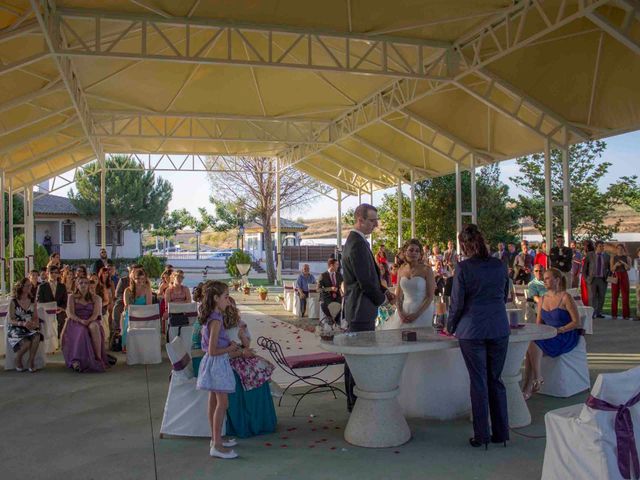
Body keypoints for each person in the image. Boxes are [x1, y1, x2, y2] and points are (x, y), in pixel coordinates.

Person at [446, 224, 510, 449]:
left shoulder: (463, 268)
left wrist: (450, 326)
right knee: (496, 380)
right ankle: (501, 433)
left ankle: (481, 435)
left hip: (472, 330)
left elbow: (457, 303)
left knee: (479, 381)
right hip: (499, 327)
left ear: (463, 245)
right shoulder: (499, 265)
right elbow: (504, 296)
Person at [380, 239, 438, 416]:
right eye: (410, 250)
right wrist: (401, 312)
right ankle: (402, 391)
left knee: (420, 351)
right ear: (405, 252)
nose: (413, 253)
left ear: (421, 253)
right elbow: (398, 294)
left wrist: (416, 314)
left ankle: (422, 393)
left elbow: (430, 296)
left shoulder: (427, 270)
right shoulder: (401, 269)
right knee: (402, 350)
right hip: (403, 313)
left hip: (422, 312)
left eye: (416, 250)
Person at [342, 204, 390, 412]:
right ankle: (356, 402)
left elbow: (370, 277)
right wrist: (383, 300)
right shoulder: (358, 244)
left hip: (359, 306)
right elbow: (365, 282)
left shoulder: (357, 242)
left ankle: (355, 400)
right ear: (359, 220)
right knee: (358, 358)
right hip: (361, 308)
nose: (375, 224)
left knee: (356, 356)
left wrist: (385, 291)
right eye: (372, 220)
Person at [195, 281, 241, 459]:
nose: (228, 301)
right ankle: (217, 445)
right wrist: (231, 348)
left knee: (214, 401)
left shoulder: (214, 316)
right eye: (225, 297)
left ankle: (216, 438)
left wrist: (228, 344)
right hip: (217, 363)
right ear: (215, 298)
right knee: (223, 403)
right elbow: (212, 350)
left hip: (214, 363)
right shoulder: (215, 320)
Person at [522, 268, 580, 399]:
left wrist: (560, 330)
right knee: (531, 345)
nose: (544, 280)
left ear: (557, 280)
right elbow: (539, 324)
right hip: (549, 334)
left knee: (532, 346)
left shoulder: (566, 297)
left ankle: (529, 384)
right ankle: (535, 379)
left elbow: (576, 322)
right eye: (544, 278)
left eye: (547, 278)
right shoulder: (542, 299)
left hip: (565, 334)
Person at [225, 297, 277, 438]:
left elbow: (247, 345)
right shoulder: (218, 327)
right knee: (252, 373)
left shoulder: (238, 326)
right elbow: (224, 353)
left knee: (260, 368)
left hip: (240, 356)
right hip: (229, 360)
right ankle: (250, 422)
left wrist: (242, 335)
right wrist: (241, 352)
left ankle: (261, 420)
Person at [62, 277, 109, 372]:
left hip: (91, 319)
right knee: (82, 331)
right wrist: (81, 321)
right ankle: (78, 361)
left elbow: (96, 314)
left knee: (94, 326)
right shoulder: (71, 297)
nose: (83, 285)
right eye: (81, 283)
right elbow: (71, 313)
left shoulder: (96, 298)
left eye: (85, 283)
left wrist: (89, 321)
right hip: (76, 321)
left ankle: (98, 358)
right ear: (77, 285)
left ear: (88, 285)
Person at [7, 278, 43, 372]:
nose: (29, 287)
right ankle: (18, 359)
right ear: (21, 287)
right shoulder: (13, 301)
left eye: (30, 285)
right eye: (27, 285)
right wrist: (22, 323)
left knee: (37, 336)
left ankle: (31, 362)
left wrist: (34, 324)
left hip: (29, 326)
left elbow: (35, 317)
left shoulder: (32, 301)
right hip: (16, 327)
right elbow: (10, 319)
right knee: (26, 343)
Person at [122, 268, 152, 349]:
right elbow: (127, 306)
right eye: (137, 278)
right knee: (127, 316)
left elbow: (149, 305)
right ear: (133, 279)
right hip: (131, 314)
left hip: (144, 314)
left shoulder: (147, 289)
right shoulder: (127, 291)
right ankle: (127, 344)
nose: (140, 280)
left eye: (142, 278)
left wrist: (142, 312)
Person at [36, 265, 68, 339]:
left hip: (59, 312)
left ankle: (59, 340)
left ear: (58, 274)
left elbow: (65, 301)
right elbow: (39, 301)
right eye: (51, 272)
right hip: (46, 312)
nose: (54, 274)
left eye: (56, 272)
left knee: (61, 318)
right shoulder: (42, 286)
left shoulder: (62, 286)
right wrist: (50, 308)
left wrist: (60, 308)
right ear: (47, 273)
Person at [584, 240, 610, 318]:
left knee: (602, 296)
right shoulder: (590, 255)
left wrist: (608, 276)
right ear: (596, 247)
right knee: (592, 297)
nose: (602, 248)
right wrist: (586, 278)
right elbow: (585, 267)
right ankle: (592, 313)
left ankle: (599, 313)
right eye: (600, 246)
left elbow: (609, 268)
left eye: (603, 246)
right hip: (592, 279)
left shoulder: (606, 256)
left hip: (602, 279)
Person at [318, 259, 343, 325]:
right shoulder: (323, 275)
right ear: (331, 265)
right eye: (337, 264)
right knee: (324, 305)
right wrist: (330, 288)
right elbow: (318, 289)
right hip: (326, 298)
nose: (338, 266)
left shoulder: (339, 275)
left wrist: (343, 291)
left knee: (343, 305)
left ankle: (337, 323)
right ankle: (330, 321)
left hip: (337, 298)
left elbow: (342, 286)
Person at [610, 243, 632, 319]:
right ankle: (614, 314)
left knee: (625, 295)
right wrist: (616, 265)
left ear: (623, 249)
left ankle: (626, 315)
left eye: (621, 249)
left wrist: (623, 263)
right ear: (616, 249)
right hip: (615, 275)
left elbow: (628, 268)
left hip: (624, 275)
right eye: (618, 248)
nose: (620, 250)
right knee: (614, 295)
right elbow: (611, 269)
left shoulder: (627, 258)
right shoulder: (613, 257)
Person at [580, 240, 594, 306]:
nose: (584, 246)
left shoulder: (591, 254)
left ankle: (589, 305)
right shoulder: (585, 254)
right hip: (583, 275)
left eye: (585, 245)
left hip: (587, 275)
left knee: (588, 292)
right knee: (584, 292)